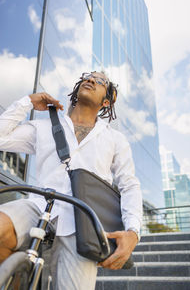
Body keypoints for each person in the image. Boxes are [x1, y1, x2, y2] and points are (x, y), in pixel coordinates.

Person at [0, 71, 142, 289]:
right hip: (39, 207)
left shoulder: (115, 139)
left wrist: (133, 232)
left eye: (101, 81)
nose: (92, 80)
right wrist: (27, 102)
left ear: (106, 102)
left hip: (83, 224)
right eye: (88, 76)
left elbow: (129, 185)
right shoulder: (44, 126)